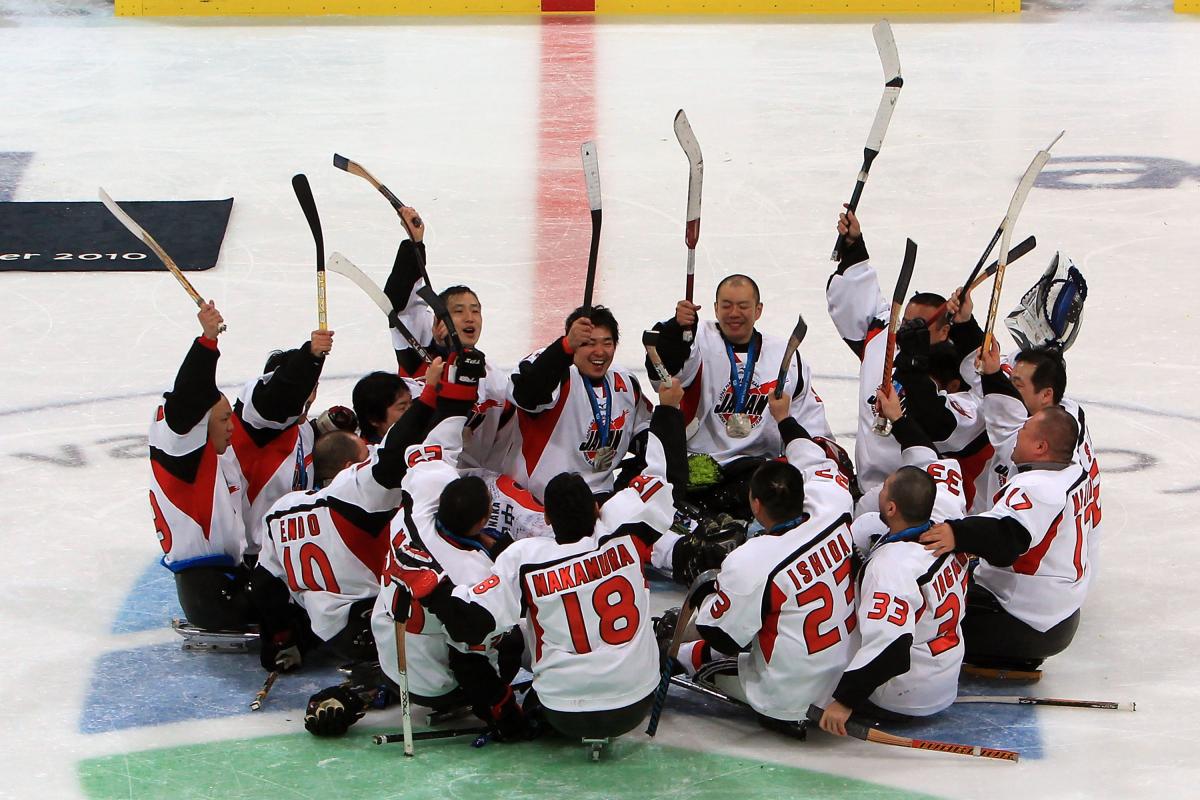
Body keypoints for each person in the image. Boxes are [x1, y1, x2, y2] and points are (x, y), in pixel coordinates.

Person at [391, 379, 693, 740]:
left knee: (517, 637)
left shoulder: (526, 558)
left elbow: (470, 626)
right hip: (636, 705)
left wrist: (434, 591)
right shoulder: (624, 529)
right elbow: (669, 478)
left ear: (546, 519)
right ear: (598, 509)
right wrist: (669, 408)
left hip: (563, 711)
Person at [252, 357, 471, 674]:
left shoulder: (281, 510)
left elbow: (264, 585)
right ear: (347, 469)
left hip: (326, 629)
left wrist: (281, 641)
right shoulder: (354, 489)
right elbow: (391, 460)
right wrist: (429, 399)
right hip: (371, 626)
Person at [679, 390, 856, 735]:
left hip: (786, 700)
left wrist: (705, 596)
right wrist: (784, 418)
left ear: (756, 506)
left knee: (690, 647)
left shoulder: (751, 559)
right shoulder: (836, 505)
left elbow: (723, 637)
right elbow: (810, 455)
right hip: (844, 679)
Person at [819, 389, 969, 735]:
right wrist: (898, 418)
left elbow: (892, 650)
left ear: (891, 508)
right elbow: (926, 454)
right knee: (867, 531)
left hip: (903, 697)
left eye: (884, 488)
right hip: (944, 674)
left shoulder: (891, 568)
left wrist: (845, 701)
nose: (880, 490)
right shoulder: (945, 514)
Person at [919, 404, 1098, 670]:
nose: (1016, 435)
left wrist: (956, 533)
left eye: (1023, 430)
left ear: (1040, 447)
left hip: (1023, 621)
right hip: (1059, 614)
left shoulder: (1039, 488)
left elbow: (1007, 539)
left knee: (924, 602)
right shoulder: (1073, 472)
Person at [826, 208, 985, 499]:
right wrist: (853, 245)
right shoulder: (883, 338)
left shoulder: (953, 370)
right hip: (871, 493)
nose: (906, 332)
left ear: (944, 331)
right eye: (906, 323)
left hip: (923, 503)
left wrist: (964, 327)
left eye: (919, 327)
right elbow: (856, 299)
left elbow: (948, 426)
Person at [645, 274, 832, 518]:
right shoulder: (698, 339)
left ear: (758, 310)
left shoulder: (784, 355)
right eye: (726, 306)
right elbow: (663, 374)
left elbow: (811, 420)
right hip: (699, 468)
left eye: (743, 306)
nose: (734, 313)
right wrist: (676, 329)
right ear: (715, 308)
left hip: (759, 473)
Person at [382, 206, 516, 473]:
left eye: (475, 310)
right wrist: (414, 245)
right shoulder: (418, 356)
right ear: (437, 322)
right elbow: (400, 305)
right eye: (458, 311)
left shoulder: (491, 375)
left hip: (477, 488)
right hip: (424, 481)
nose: (470, 318)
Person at [148, 302, 252, 632]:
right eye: (223, 420)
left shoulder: (205, 455)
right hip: (212, 596)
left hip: (221, 583)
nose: (231, 426)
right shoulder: (180, 452)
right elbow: (188, 399)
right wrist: (208, 341)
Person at [508, 305, 652, 501]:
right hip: (541, 503)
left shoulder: (626, 382)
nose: (599, 352)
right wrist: (564, 347)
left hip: (600, 499)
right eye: (588, 343)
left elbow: (645, 435)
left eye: (607, 343)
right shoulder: (557, 372)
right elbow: (527, 393)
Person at [229, 328, 334, 558]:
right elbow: (278, 399)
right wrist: (311, 356)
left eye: (313, 388)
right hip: (252, 557)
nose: (309, 396)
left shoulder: (303, 429)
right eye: (304, 388)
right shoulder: (256, 420)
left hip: (292, 554)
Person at [352, 371, 414, 445]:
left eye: (411, 403)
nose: (413, 411)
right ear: (374, 419)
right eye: (402, 408)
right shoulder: (368, 454)